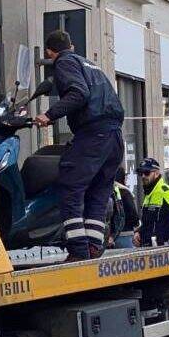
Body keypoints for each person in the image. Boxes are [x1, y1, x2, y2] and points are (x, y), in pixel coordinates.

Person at [33, 30, 125, 261]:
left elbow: (78, 94)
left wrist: (49, 115)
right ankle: (94, 246)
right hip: (114, 136)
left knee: (70, 186)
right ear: (72, 46)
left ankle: (78, 250)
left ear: (49, 52)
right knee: (99, 190)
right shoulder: (89, 64)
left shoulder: (63, 63)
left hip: (94, 134)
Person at [133, 158, 169, 247]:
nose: (143, 176)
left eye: (147, 173)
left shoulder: (166, 192)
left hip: (161, 252)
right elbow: (151, 223)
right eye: (141, 173)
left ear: (156, 173)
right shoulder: (149, 194)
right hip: (147, 249)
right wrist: (139, 232)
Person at [109, 167, 138, 249]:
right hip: (125, 235)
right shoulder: (125, 192)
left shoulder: (105, 191)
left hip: (108, 238)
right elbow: (133, 217)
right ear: (123, 178)